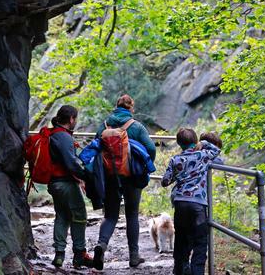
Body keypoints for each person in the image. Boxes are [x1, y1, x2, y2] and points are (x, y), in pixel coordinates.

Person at [92, 95, 157, 270]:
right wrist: (144, 165)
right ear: (131, 108)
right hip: (133, 176)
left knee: (111, 215)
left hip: (110, 175)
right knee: (132, 214)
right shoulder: (136, 126)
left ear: (116, 106)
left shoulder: (105, 125)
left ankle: (101, 245)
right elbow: (151, 148)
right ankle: (134, 257)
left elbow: (95, 145)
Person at [161, 128, 223, 275]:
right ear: (195, 141)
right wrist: (203, 143)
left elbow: (165, 181)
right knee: (200, 243)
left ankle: (180, 270)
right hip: (198, 205)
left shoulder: (175, 160)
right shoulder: (203, 155)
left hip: (181, 204)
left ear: (178, 143)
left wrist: (179, 175)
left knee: (181, 239)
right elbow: (216, 150)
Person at [47, 105, 94, 269]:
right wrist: (87, 176)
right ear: (71, 119)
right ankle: (79, 254)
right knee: (79, 215)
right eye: (76, 118)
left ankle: (59, 255)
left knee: (62, 216)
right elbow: (71, 164)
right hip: (65, 183)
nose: (76, 121)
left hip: (53, 183)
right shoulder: (64, 137)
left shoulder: (53, 134)